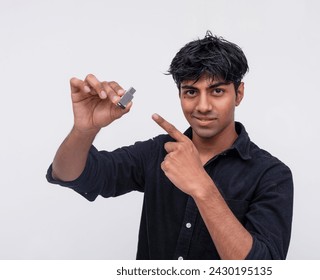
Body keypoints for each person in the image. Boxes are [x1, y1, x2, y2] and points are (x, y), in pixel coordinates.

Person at [46, 32, 293, 260]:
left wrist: (203, 188)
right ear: (180, 95)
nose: (203, 106)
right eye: (191, 92)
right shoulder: (158, 153)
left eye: (217, 91)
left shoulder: (271, 175)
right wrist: (84, 130)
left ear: (238, 93)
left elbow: (264, 267)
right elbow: (70, 175)